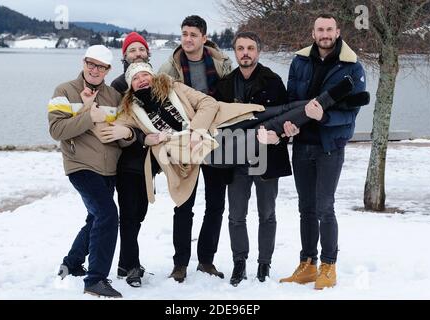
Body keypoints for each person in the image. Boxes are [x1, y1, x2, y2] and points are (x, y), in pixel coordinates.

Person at [114, 62, 365, 285]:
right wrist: (150, 137)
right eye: (136, 78)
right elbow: (130, 133)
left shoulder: (173, 87)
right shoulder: (132, 111)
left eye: (145, 74)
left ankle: (334, 100)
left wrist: (196, 130)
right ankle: (333, 99)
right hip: (210, 148)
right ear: (131, 86)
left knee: (276, 110)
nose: (142, 79)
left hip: (217, 124)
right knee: (269, 128)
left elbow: (208, 103)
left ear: (153, 75)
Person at [279, 13, 367, 290]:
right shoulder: (299, 61)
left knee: (324, 207)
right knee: (305, 208)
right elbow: (291, 101)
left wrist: (324, 119)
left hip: (330, 147)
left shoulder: (352, 66)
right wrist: (290, 125)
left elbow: (352, 112)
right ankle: (308, 264)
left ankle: (329, 265)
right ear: (313, 33)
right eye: (320, 29)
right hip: (302, 144)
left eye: (330, 29)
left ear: (338, 31)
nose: (325, 34)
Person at [48, 45, 136, 298]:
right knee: (108, 215)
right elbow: (57, 131)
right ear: (84, 62)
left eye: (101, 66)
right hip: (80, 166)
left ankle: (73, 262)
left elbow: (123, 134)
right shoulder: (64, 91)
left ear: (108, 70)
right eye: (91, 64)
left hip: (109, 168)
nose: (95, 70)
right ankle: (95, 280)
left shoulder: (114, 97)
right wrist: (89, 115)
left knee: (96, 218)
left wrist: (127, 133)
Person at [214, 31, 292, 286]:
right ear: (235, 52)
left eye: (250, 48)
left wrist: (278, 136)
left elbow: (287, 118)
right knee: (236, 215)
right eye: (240, 48)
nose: (245, 53)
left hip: (266, 158)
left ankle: (264, 264)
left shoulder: (273, 81)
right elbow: (216, 121)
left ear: (258, 51)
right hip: (235, 159)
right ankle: (239, 263)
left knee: (267, 214)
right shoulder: (225, 84)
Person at [159, 15, 232, 280]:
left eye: (193, 34)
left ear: (204, 37)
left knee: (215, 204)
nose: (187, 39)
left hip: (215, 141)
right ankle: (180, 264)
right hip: (184, 142)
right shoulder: (169, 68)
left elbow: (228, 100)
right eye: (184, 34)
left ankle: (206, 260)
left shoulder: (221, 64)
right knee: (183, 204)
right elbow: (160, 104)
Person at [111, 32, 155, 287]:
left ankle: (123, 262)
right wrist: (141, 136)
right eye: (132, 50)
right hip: (126, 162)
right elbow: (121, 123)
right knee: (129, 214)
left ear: (147, 54)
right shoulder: (119, 85)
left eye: (141, 49)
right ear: (125, 56)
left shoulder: (153, 80)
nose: (137, 53)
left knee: (139, 213)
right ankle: (132, 266)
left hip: (149, 163)